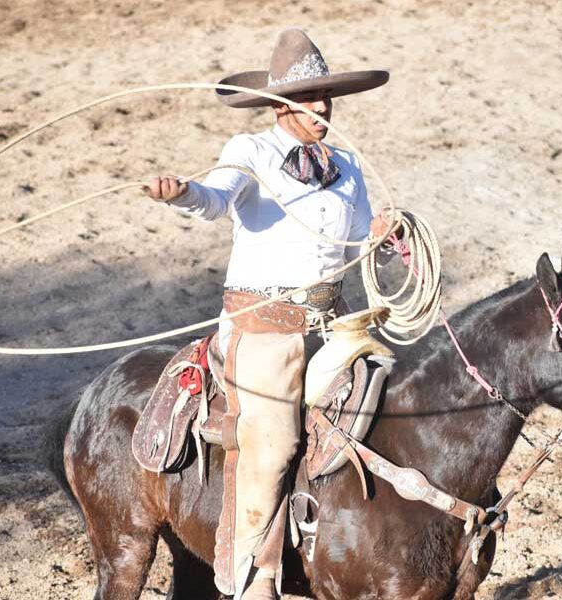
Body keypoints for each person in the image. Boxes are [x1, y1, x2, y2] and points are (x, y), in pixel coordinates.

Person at [143, 29, 390, 600]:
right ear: (281, 106)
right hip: (263, 328)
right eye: (310, 100)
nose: (322, 108)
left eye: (326, 98)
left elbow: (357, 237)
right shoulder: (250, 152)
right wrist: (181, 193)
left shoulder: (346, 165)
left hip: (335, 324)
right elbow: (214, 200)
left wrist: (383, 234)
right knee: (274, 443)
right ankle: (255, 577)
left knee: (393, 399)